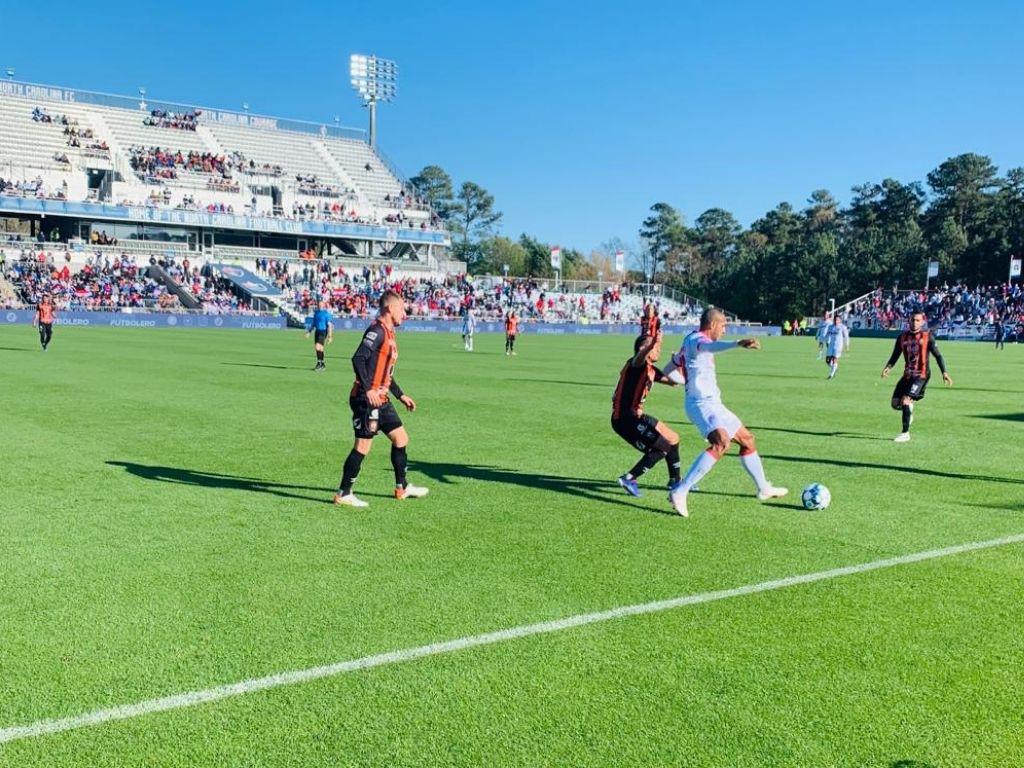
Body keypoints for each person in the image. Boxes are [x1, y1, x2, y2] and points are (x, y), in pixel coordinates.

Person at [663, 308, 788, 517]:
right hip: (701, 404)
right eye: (723, 326)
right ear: (712, 325)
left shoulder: (688, 342)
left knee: (747, 440)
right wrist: (736, 343)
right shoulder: (696, 340)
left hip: (714, 403)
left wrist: (685, 382)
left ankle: (764, 488)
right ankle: (681, 491)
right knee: (721, 443)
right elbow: (711, 347)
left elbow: (668, 370)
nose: (724, 330)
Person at [334, 291, 428, 507]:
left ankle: (401, 488)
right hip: (366, 399)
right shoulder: (376, 331)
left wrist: (400, 394)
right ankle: (344, 493)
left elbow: (386, 373)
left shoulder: (390, 333)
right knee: (363, 445)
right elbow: (358, 358)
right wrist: (368, 390)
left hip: (382, 398)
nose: (405, 313)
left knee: (401, 438)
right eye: (402, 309)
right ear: (390, 309)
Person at [612, 332, 682, 498]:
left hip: (636, 417)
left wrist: (676, 364)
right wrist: (650, 345)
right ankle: (629, 478)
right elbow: (639, 356)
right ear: (644, 349)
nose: (658, 350)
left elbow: (674, 382)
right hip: (624, 420)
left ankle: (675, 480)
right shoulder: (637, 364)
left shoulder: (651, 369)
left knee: (673, 438)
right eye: (655, 347)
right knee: (662, 447)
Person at [881, 310, 953, 443]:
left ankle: (905, 433)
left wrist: (944, 372)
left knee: (906, 401)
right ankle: (908, 412)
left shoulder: (928, 337)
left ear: (923, 322)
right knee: (895, 404)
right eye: (913, 320)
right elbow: (895, 355)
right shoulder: (901, 337)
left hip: (922, 375)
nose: (915, 323)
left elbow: (938, 356)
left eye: (918, 320)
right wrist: (888, 367)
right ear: (909, 321)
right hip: (907, 374)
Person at [306, 300, 334, 371]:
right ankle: (322, 364)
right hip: (317, 331)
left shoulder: (326, 314)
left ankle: (319, 363)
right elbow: (314, 324)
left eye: (321, 305)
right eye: (319, 305)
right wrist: (309, 332)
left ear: (324, 306)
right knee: (320, 348)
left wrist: (330, 336)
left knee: (317, 347)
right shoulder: (316, 313)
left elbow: (329, 325)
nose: (320, 306)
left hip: (323, 331)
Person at [823, 315, 850, 379]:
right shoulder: (830, 327)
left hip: (838, 345)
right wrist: (826, 341)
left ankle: (831, 375)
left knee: (835, 359)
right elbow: (827, 335)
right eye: (835, 319)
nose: (836, 321)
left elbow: (846, 337)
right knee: (827, 360)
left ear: (840, 320)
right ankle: (834, 368)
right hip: (831, 345)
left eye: (837, 319)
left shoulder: (842, 327)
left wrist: (847, 345)